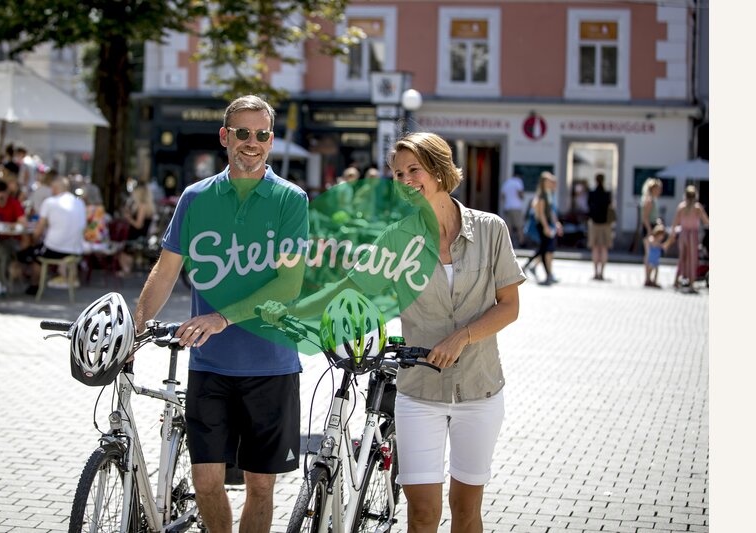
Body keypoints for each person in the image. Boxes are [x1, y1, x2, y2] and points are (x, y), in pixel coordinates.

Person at [263, 131, 525, 533]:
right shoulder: (397, 238)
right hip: (419, 392)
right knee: (422, 513)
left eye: (413, 170)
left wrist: (461, 337)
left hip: (480, 389)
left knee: (466, 507)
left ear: (438, 170)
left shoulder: (491, 230)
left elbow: (509, 306)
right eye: (398, 174)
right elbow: (350, 287)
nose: (405, 181)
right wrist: (293, 309)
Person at [132, 95, 309, 533]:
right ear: (225, 137)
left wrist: (221, 318)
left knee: (260, 487)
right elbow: (167, 268)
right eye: (243, 133)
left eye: (262, 134)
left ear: (271, 140)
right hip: (210, 366)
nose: (253, 143)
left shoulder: (291, 200)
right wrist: (134, 323)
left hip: (271, 365)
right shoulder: (196, 198)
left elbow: (288, 285)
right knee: (206, 482)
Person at [22, 175, 87, 295]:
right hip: (76, 249)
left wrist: (33, 239)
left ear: (55, 188)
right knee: (37, 249)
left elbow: (38, 231)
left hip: (55, 249)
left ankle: (35, 286)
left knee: (32, 254)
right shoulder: (80, 203)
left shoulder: (50, 202)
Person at [522, 172, 563, 285]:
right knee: (544, 250)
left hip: (548, 225)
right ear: (544, 182)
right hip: (543, 226)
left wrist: (556, 223)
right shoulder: (542, 196)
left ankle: (530, 267)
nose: (552, 183)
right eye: (549, 181)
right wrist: (546, 227)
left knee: (543, 250)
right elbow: (541, 214)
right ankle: (547, 275)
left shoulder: (549, 194)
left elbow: (551, 212)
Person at [670, 185, 709, 292]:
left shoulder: (681, 206)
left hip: (683, 234)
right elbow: (706, 221)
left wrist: (672, 235)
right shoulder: (697, 207)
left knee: (682, 258)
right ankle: (691, 282)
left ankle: (676, 280)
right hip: (693, 234)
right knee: (692, 259)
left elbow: (674, 223)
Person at [117, 183, 156, 275]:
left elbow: (139, 225)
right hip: (141, 235)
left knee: (121, 251)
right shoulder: (148, 206)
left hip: (137, 236)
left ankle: (126, 271)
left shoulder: (142, 206)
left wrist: (128, 218)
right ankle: (128, 270)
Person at [586, 173, 613, 280]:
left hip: (594, 223)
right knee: (604, 248)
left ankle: (595, 272)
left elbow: (588, 206)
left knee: (595, 248)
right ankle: (602, 272)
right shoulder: (607, 193)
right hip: (606, 224)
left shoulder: (592, 193)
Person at [640, 178, 663, 286]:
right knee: (649, 254)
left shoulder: (654, 200)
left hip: (654, 228)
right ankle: (648, 278)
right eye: (658, 189)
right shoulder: (649, 200)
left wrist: (658, 222)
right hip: (649, 229)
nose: (659, 191)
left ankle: (650, 278)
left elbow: (653, 216)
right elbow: (645, 218)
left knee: (653, 254)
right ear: (653, 189)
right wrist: (650, 231)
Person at [643, 223, 672, 289]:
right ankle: (648, 280)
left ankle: (654, 281)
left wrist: (670, 240)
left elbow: (664, 246)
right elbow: (646, 241)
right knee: (649, 270)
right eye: (661, 235)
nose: (662, 237)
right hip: (650, 258)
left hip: (655, 259)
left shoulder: (659, 243)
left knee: (656, 270)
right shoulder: (652, 240)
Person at [499, 174, 526, 247]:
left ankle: (508, 243)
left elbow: (502, 195)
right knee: (519, 226)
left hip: (507, 207)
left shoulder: (507, 183)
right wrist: (522, 197)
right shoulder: (518, 182)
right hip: (516, 207)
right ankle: (521, 242)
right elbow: (520, 193)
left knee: (508, 227)